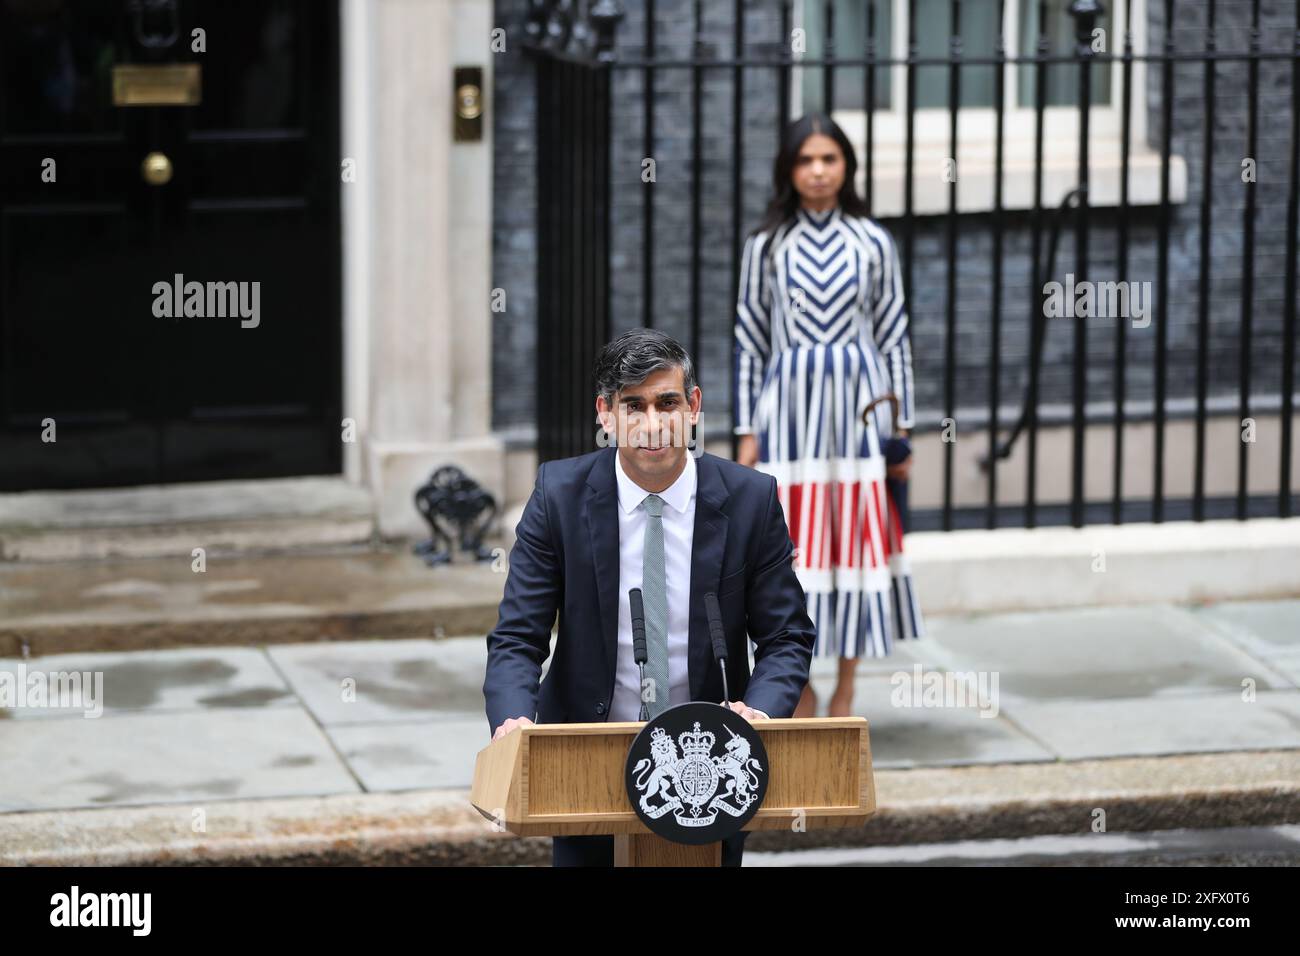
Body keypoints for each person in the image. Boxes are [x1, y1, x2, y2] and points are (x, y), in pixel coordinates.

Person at [483, 328, 816, 867]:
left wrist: (759, 713)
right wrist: (513, 723)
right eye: (633, 406)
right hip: (584, 764)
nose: (653, 424)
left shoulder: (752, 500)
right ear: (605, 414)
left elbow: (786, 636)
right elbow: (518, 637)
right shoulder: (558, 496)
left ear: (694, 407)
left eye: (667, 402)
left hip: (710, 769)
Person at [733, 112, 924, 719]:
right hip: (787, 410)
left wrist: (903, 428)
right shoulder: (765, 246)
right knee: (790, 546)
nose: (818, 171)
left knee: (853, 543)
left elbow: (894, 335)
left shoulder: (873, 242)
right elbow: (749, 340)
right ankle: (802, 682)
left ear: (847, 167)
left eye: (829, 159)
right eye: (806, 160)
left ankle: (846, 687)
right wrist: (745, 430)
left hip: (859, 410)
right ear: (789, 170)